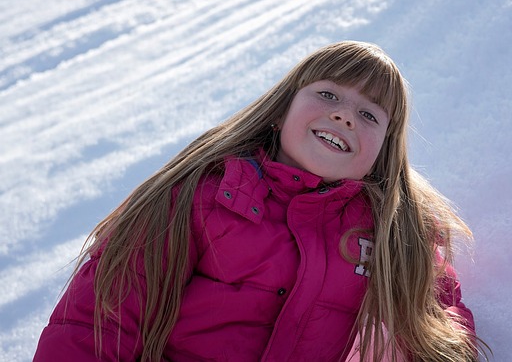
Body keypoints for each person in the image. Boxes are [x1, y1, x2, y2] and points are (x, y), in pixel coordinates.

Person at [34, 41, 481, 361]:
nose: (344, 114)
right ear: (280, 111)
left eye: (368, 114)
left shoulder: (392, 233)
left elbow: (440, 332)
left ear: (383, 151)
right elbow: (102, 317)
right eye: (327, 94)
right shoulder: (202, 195)